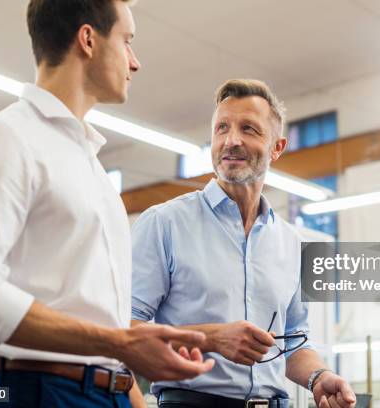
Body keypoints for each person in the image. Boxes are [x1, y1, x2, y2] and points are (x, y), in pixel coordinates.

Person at [0, 1, 213, 407]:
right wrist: (120, 342)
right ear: (88, 39)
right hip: (40, 392)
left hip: (109, 392)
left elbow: (106, 331)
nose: (134, 62)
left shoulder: (92, 168)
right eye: (127, 41)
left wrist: (127, 372)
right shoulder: (7, 138)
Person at [131, 79, 356, 408]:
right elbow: (126, 328)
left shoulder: (291, 243)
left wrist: (319, 377)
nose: (231, 140)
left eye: (248, 128)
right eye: (222, 128)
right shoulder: (165, 223)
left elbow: (292, 344)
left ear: (277, 148)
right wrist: (212, 338)